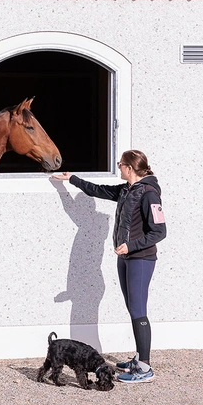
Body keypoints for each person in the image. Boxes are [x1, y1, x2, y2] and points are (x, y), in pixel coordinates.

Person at [51, 150, 167, 383]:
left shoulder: (149, 194)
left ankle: (145, 368)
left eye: (121, 164)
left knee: (138, 311)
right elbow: (99, 190)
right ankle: (139, 357)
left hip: (140, 259)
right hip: (125, 259)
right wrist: (71, 179)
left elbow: (159, 232)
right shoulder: (127, 190)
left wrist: (131, 246)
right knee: (133, 309)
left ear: (130, 168)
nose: (118, 167)